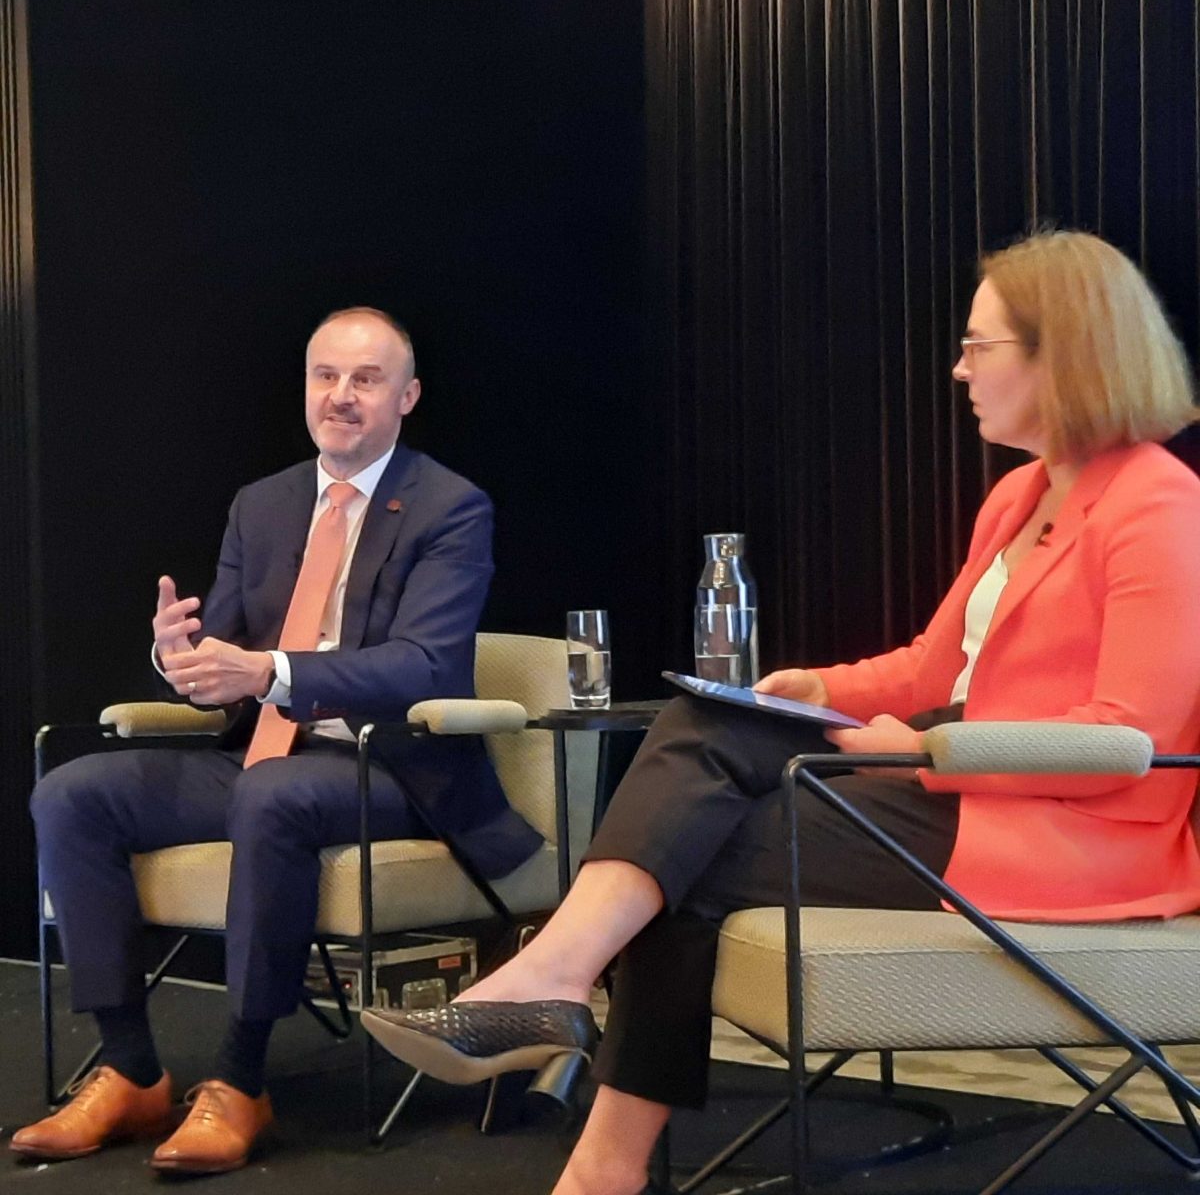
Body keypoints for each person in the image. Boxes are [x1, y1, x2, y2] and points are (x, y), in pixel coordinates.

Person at [360, 231, 1200, 1195]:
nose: (959, 367)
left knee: (690, 848)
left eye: (980, 346)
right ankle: (574, 1059)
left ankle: (585, 1102)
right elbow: (936, 662)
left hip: (1068, 833)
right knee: (710, 732)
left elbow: (1123, 743)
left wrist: (925, 748)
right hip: (961, 792)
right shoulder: (1019, 496)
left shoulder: (1159, 508)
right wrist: (824, 688)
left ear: (1066, 355)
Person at [13, 307, 541, 1173]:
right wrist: (175, 656)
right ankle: (130, 1067)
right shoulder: (263, 505)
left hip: (392, 768)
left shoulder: (449, 506)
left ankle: (240, 1079)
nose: (341, 396)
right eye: (324, 376)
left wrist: (271, 675)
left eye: (365, 380)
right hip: (264, 757)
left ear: (406, 397)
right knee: (73, 790)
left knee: (274, 793)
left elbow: (424, 664)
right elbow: (217, 652)